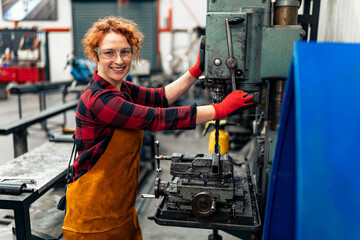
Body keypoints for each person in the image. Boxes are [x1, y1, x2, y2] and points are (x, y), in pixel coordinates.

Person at [62, 16, 253, 240]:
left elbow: (160, 97)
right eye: (109, 53)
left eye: (125, 52)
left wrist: (195, 71)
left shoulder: (122, 89)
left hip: (121, 212)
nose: (119, 60)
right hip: (92, 222)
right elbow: (157, 118)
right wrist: (218, 109)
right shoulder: (98, 100)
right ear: (95, 55)